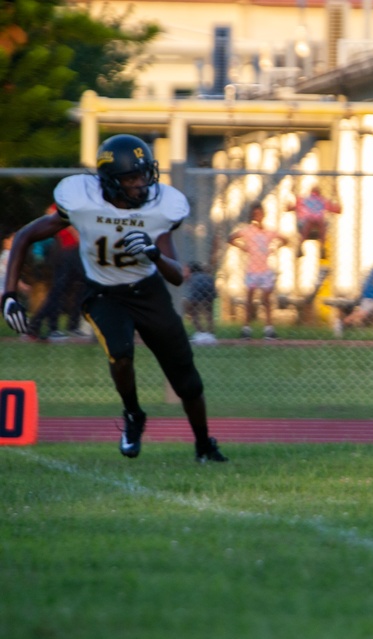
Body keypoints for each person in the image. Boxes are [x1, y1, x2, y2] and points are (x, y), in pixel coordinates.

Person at [1, 134, 227, 463]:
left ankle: (204, 444)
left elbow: (177, 275)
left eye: (144, 174)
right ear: (110, 180)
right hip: (104, 292)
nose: (142, 184)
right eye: (132, 177)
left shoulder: (159, 206)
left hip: (148, 292)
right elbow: (25, 235)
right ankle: (133, 414)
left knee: (187, 380)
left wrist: (154, 254)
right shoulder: (84, 200)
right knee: (120, 352)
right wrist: (8, 295)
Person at [228, 201, 287, 340]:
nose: (257, 216)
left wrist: (275, 248)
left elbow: (284, 239)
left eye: (260, 213)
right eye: (255, 214)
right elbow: (231, 238)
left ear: (263, 215)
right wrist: (242, 247)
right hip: (252, 269)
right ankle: (246, 328)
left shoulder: (268, 232)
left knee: (266, 299)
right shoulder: (248, 231)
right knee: (249, 298)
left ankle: (269, 328)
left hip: (265, 269)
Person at [289, 185, 340, 259]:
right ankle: (300, 246)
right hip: (305, 224)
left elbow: (337, 210)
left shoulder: (323, 201)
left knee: (319, 222)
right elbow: (290, 207)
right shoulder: (304, 200)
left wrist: (336, 195)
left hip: (318, 224)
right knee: (311, 222)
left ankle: (322, 248)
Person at [184, 261, 217, 344]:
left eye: (186, 270)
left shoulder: (193, 278)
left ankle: (200, 332)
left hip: (197, 287)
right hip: (210, 284)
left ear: (191, 271)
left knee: (193, 310)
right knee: (209, 311)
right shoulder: (206, 276)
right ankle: (210, 333)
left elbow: (191, 298)